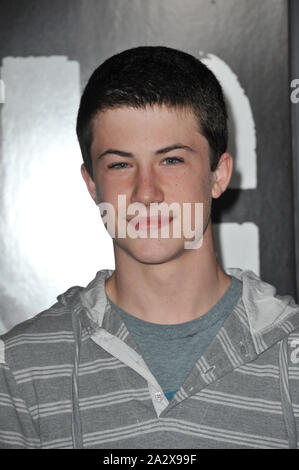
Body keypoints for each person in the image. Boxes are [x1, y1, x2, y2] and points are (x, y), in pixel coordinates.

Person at [0, 46, 298, 450]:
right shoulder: (20, 366)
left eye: (171, 160)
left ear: (217, 174)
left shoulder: (291, 353)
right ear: (92, 184)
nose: (146, 193)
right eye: (120, 164)